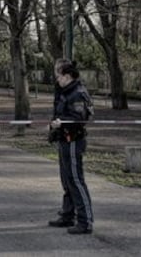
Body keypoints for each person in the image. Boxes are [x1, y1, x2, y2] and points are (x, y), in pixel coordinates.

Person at [48, 60, 94, 234]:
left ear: (67, 76)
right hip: (64, 139)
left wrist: (63, 123)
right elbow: (60, 111)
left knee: (76, 180)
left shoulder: (78, 93)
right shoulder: (63, 91)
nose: (56, 79)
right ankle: (68, 215)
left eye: (58, 76)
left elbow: (79, 119)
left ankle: (86, 221)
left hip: (74, 140)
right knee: (67, 181)